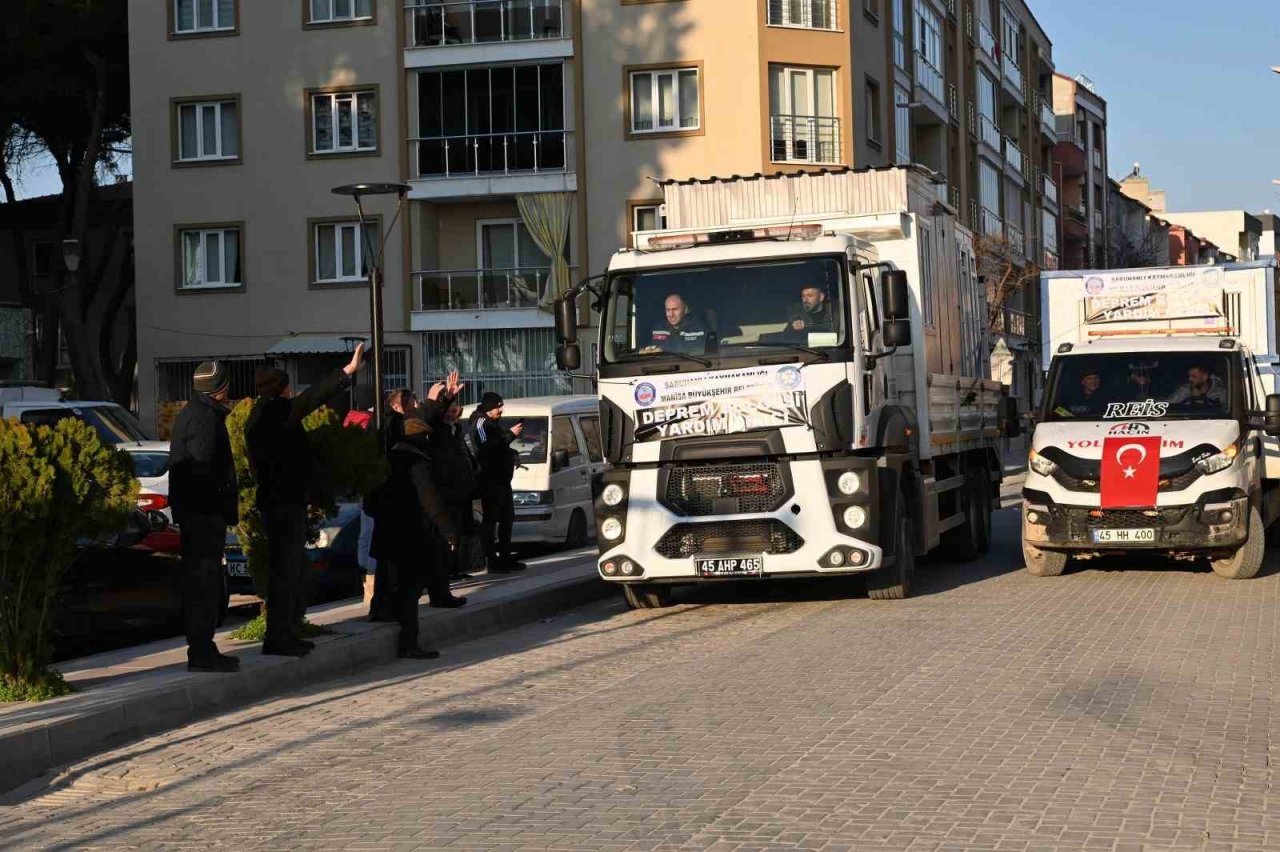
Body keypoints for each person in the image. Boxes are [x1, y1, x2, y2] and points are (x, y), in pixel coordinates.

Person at [245, 344, 363, 657]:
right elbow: (312, 398)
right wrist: (346, 372)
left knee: (283, 571)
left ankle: (281, 632)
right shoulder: (277, 413)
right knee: (287, 572)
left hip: (272, 499)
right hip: (285, 502)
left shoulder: (255, 416)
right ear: (282, 390)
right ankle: (279, 636)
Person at [370, 417, 466, 660]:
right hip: (411, 536)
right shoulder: (418, 463)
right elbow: (430, 501)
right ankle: (409, 642)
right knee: (410, 591)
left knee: (393, 586)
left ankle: (389, 620)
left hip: (386, 535)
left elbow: (370, 502)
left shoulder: (385, 460)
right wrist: (449, 531)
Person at [168, 361, 240, 673]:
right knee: (204, 582)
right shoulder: (204, 419)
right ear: (220, 388)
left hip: (197, 514)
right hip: (203, 516)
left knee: (203, 581)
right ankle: (201, 649)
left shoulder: (193, 413)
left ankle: (202, 647)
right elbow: (202, 469)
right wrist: (219, 506)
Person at [422, 372, 480, 579]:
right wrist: (445, 398)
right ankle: (445, 572)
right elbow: (433, 418)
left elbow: (465, 456)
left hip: (460, 492)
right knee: (446, 535)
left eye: (458, 409)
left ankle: (455, 568)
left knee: (460, 533)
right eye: (452, 410)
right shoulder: (437, 430)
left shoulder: (455, 431)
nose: (457, 413)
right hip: (446, 492)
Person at [469, 391, 526, 574]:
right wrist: (510, 434)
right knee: (491, 520)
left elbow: (500, 447)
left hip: (502, 480)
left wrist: (512, 455)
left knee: (507, 518)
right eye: (497, 407)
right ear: (488, 408)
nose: (500, 410)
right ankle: (492, 560)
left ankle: (505, 557)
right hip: (490, 480)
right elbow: (487, 447)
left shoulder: (492, 424)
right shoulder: (480, 424)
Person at [642, 294, 708, 354]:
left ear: (685, 309)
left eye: (675, 309)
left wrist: (663, 351)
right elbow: (644, 351)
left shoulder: (699, 329)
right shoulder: (657, 328)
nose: (671, 314)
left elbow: (701, 354)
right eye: (668, 310)